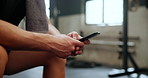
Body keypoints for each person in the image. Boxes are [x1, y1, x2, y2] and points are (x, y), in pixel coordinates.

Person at [0, 0, 89, 78]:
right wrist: (51, 42)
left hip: (8, 48)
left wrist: (65, 41)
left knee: (55, 54)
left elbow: (45, 25)